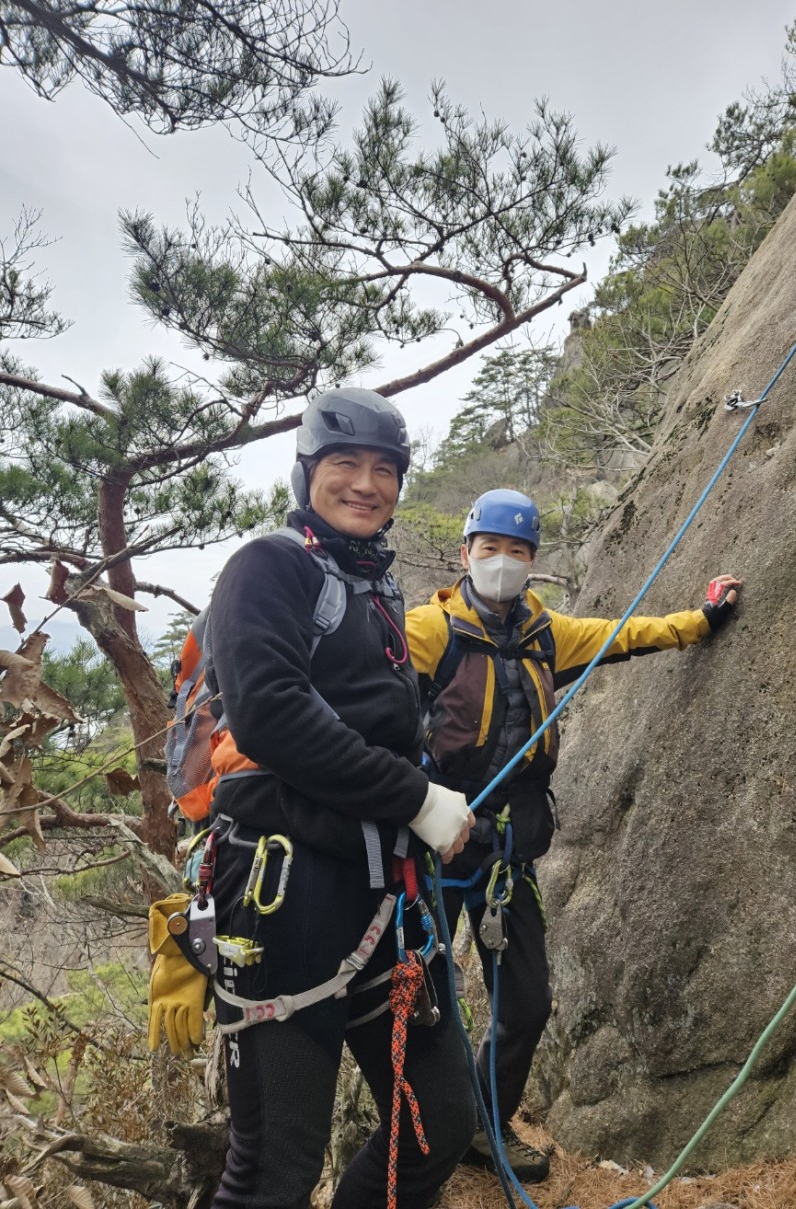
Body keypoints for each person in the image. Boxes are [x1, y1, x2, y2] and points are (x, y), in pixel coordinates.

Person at [405, 488, 742, 1184]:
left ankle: (482, 1127)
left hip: (505, 854)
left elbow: (628, 634)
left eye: (518, 552)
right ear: (465, 554)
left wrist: (702, 619)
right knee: (423, 1012)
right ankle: (421, 1144)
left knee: (526, 1005)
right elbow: (359, 680)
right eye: (490, 549)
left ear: (533, 562)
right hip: (434, 851)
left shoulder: (546, 634)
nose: (503, 562)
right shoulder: (430, 631)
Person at [203, 387, 477, 1209]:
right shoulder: (269, 566)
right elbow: (271, 714)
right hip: (285, 898)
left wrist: (444, 815)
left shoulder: (372, 586)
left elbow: (382, 728)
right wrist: (417, 797)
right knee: (273, 1171)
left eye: (384, 469)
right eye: (345, 465)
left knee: (437, 1122)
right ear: (307, 472)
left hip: (384, 892)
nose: (366, 484)